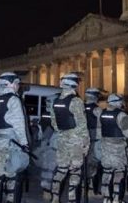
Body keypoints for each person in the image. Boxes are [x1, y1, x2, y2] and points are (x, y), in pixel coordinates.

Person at [0, 72, 29, 203]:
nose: (18, 86)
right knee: (12, 175)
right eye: (16, 83)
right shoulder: (14, 100)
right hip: (11, 143)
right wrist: (24, 143)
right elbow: (19, 123)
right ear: (10, 84)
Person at [50, 73, 90, 203]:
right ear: (75, 85)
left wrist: (63, 133)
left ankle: (55, 197)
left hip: (62, 138)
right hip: (75, 140)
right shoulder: (76, 101)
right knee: (75, 171)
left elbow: (54, 124)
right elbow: (82, 124)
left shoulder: (55, 101)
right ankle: (72, 199)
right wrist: (86, 143)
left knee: (61, 170)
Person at [98, 93, 128, 203]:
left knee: (107, 172)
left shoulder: (102, 113)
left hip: (105, 147)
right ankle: (117, 199)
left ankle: (106, 199)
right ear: (118, 102)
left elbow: (100, 131)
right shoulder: (122, 115)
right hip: (118, 149)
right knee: (119, 174)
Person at [34, 96, 59, 202]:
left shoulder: (45, 113)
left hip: (44, 144)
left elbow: (40, 131)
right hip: (52, 145)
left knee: (46, 170)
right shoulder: (54, 115)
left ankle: (46, 193)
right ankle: (50, 194)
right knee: (51, 171)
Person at [84, 87, 103, 198]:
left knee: (84, 165)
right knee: (94, 166)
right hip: (94, 140)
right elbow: (101, 125)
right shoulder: (97, 109)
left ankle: (83, 188)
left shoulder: (81, 108)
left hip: (83, 140)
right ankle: (93, 191)